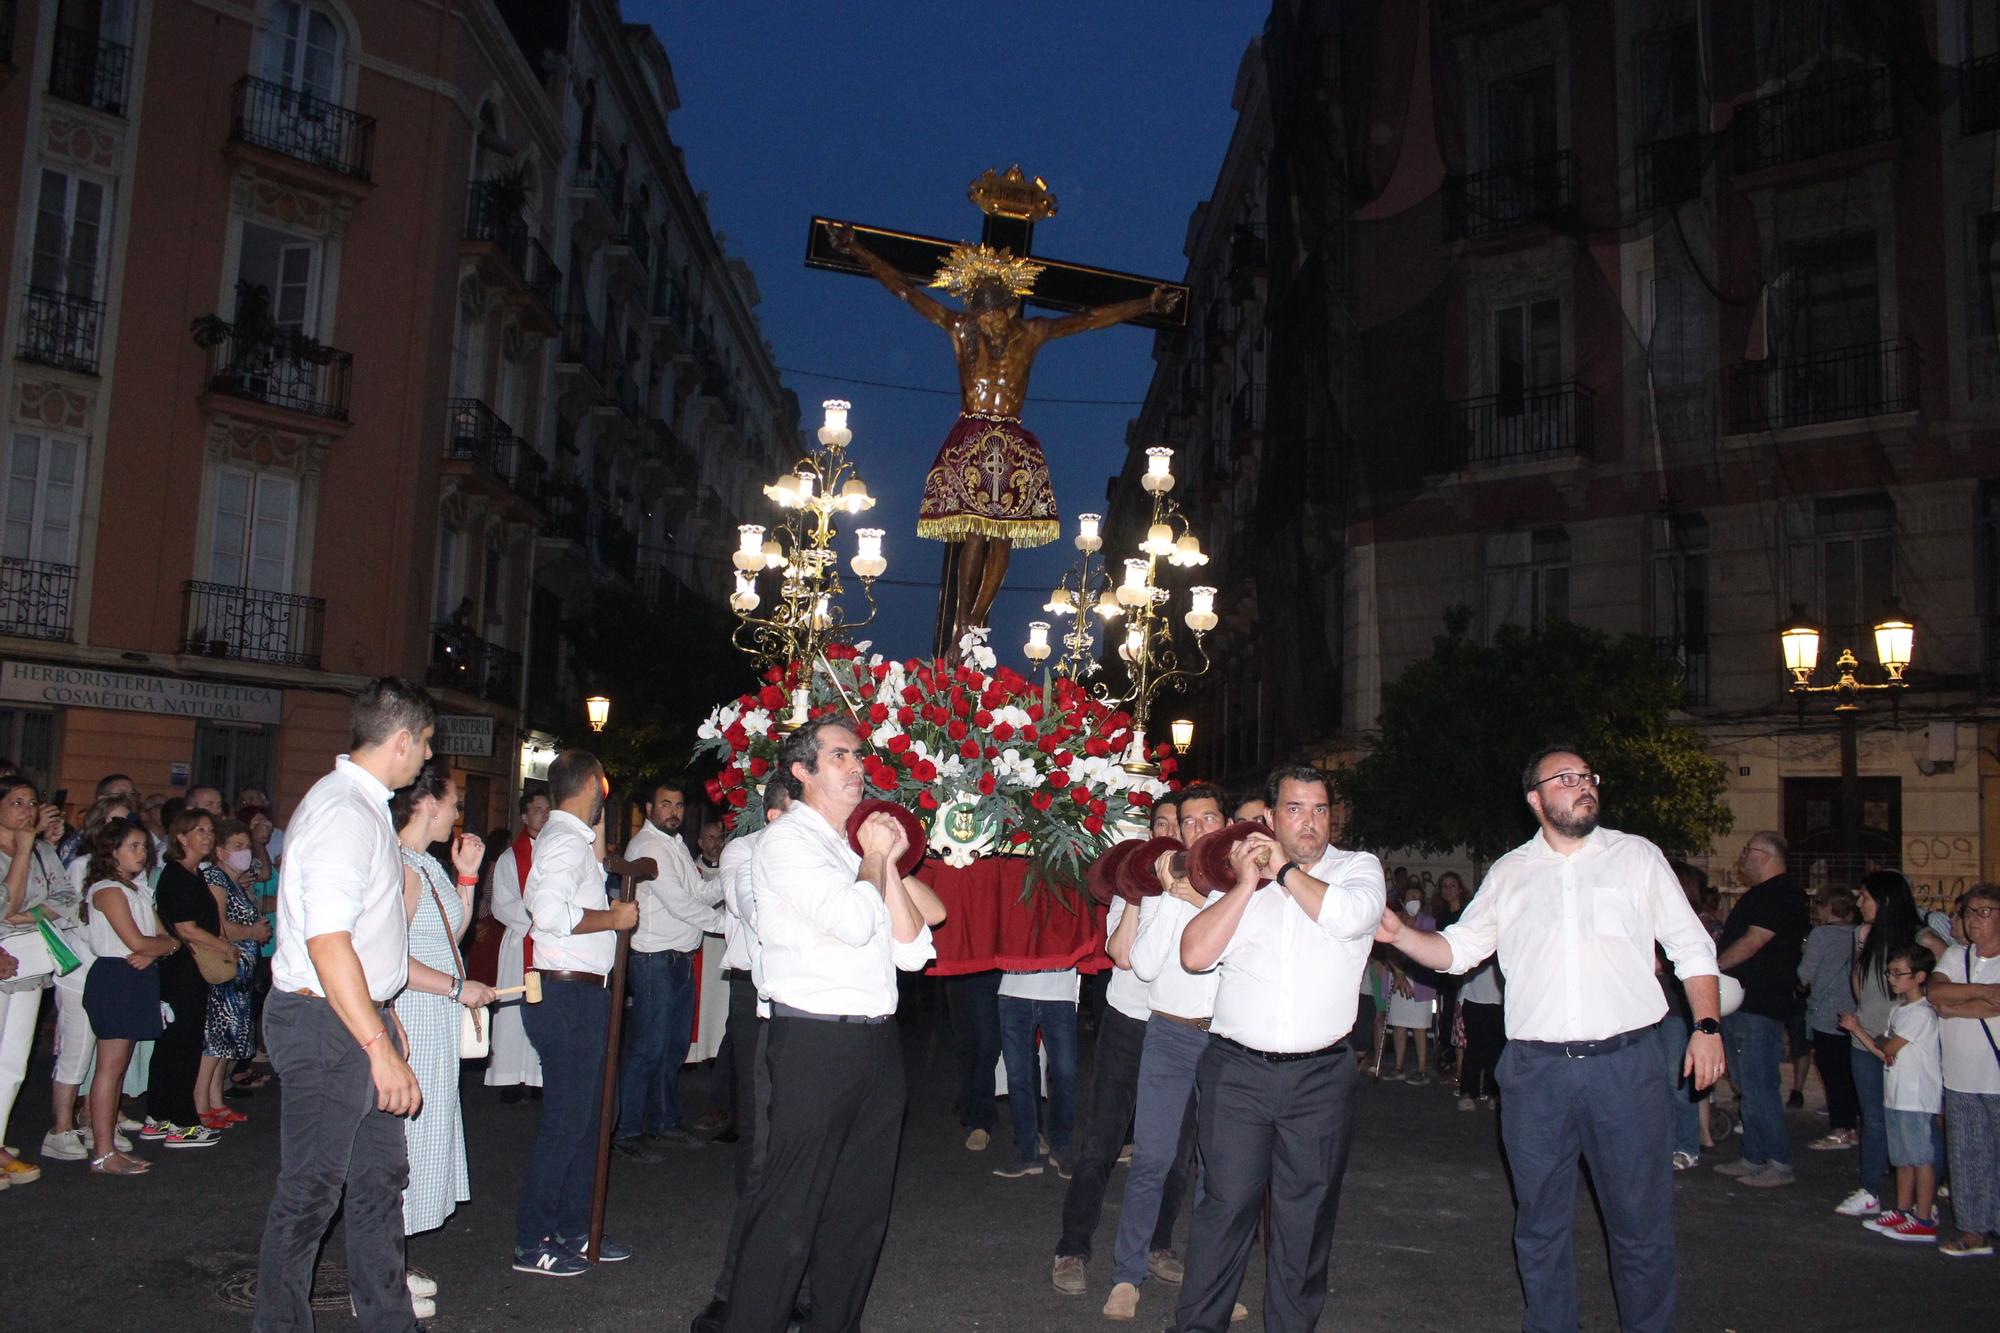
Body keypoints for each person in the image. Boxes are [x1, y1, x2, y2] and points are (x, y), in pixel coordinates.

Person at [1375, 744, 1724, 1333]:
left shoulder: (1636, 857)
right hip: (1536, 1074)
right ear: (1535, 799)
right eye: (1565, 778)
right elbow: (1458, 950)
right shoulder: (1510, 873)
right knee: (1540, 1226)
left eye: (1587, 776)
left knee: (1640, 1227)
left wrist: (1707, 1026)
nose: (1583, 785)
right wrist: (1400, 935)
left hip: (1626, 1066)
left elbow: (1693, 948)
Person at [828, 222, 1179, 648]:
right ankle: (961, 619)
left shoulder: (1032, 334)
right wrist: (859, 250)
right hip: (971, 432)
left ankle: (976, 618)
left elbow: (1089, 320)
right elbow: (906, 291)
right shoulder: (961, 329)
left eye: (992, 313)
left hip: (1012, 438)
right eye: (979, 312)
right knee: (974, 531)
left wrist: (1147, 303)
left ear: (1010, 308)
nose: (986, 323)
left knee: (1003, 534)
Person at [722, 720, 935, 1332]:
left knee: (858, 1216)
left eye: (858, 755)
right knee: (787, 1211)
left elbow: (914, 949)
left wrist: (884, 863)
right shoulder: (787, 842)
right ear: (803, 772)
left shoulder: (852, 849)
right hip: (813, 1042)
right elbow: (849, 919)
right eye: (838, 755)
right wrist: (874, 856)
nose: (856, 765)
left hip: (874, 1041)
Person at [252, 677, 435, 1333]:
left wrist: (386, 1011)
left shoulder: (365, 805)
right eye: (427, 743)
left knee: (380, 1179)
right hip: (327, 1024)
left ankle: (389, 1318)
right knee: (309, 1192)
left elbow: (360, 934)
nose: (428, 758)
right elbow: (328, 944)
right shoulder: (343, 813)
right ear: (403, 739)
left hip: (354, 1018)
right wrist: (375, 1044)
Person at [1173, 765, 1383, 1333]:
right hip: (1238, 1073)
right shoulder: (1238, 879)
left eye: (1320, 809)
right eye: (1295, 808)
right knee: (1223, 1211)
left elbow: (1349, 916)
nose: (1310, 821)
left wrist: (1283, 869)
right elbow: (1193, 955)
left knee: (1305, 1220)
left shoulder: (1358, 870)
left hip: (1320, 1077)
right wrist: (1245, 883)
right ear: (1268, 817)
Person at [512, 749, 651, 1276]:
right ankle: (532, 1239)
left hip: (580, 994)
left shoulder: (570, 840)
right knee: (568, 1122)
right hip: (566, 995)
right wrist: (613, 917)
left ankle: (574, 1228)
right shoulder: (563, 841)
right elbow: (546, 913)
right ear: (594, 783)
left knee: (591, 1119)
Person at [1101, 783, 1228, 1323]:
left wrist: (1199, 901)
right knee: (1151, 1159)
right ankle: (1126, 1276)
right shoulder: (1159, 886)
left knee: (1219, 1171)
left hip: (1228, 1041)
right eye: (1188, 820)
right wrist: (1171, 898)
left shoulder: (1247, 886)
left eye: (1208, 818)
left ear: (1224, 825)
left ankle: (1210, 1287)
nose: (1197, 828)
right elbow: (1146, 967)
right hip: (1171, 1035)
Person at [1049, 820, 1187, 1300]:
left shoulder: (1205, 889)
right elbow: (1121, 956)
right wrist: (1134, 893)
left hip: (1180, 1030)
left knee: (1174, 1152)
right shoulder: (1131, 890)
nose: (1172, 834)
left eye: (1181, 825)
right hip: (1128, 1026)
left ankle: (1158, 1244)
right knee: (1102, 1143)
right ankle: (1072, 1248)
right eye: (1163, 825)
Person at [391, 762, 493, 1319]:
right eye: (453, 803)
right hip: (415, 1012)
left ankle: (391, 1264)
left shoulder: (423, 864)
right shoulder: (401, 868)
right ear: (427, 804)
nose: (458, 814)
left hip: (434, 1015)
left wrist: (468, 877)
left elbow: (447, 935)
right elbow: (392, 961)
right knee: (405, 1139)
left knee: (423, 1132)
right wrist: (458, 988)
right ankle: (382, 1276)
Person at [693, 778, 792, 1333]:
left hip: (805, 998)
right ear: (774, 814)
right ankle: (738, 1287)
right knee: (759, 1140)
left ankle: (797, 1281)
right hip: (755, 989)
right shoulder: (743, 850)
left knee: (801, 1142)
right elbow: (753, 910)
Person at [1835, 870, 1951, 1220]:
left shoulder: (1922, 938)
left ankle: (1930, 1193)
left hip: (1908, 1044)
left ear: (1885, 901)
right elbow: (1859, 984)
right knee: (1874, 1118)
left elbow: (1946, 977)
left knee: (1918, 1121)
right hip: (1866, 1035)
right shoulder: (1866, 936)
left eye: (1865, 896)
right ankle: (1872, 1190)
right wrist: (1860, 945)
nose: (1859, 903)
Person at [617, 780, 720, 1156]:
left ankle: (663, 1120)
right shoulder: (648, 847)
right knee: (647, 1047)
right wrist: (728, 926)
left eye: (678, 805)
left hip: (677, 960)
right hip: (654, 960)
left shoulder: (675, 846)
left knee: (672, 1047)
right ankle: (625, 1131)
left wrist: (736, 871)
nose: (674, 811)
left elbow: (702, 893)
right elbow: (683, 905)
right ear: (649, 809)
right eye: (665, 804)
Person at [1712, 832, 1808, 1187]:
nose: (1743, 857)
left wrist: (1712, 969)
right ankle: (1753, 1156)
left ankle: (1778, 1163)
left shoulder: (1781, 894)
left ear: (1766, 854)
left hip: (1761, 1002)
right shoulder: (1762, 894)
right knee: (1747, 1083)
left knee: (1760, 1082)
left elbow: (1753, 942)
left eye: (1748, 850)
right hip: (1744, 1000)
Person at [82, 817, 177, 1175]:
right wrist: (158, 947)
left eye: (144, 847)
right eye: (133, 847)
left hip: (137, 976)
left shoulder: (136, 889)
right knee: (109, 1067)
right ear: (112, 851)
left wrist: (157, 949)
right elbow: (138, 941)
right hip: (117, 976)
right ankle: (103, 1151)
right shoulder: (107, 889)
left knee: (118, 1068)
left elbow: (168, 939)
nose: (142, 854)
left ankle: (107, 1146)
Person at [1840, 944, 1942, 1242]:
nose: (1892, 979)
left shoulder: (1921, 1014)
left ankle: (1923, 1216)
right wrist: (1858, 1030)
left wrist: (1882, 1042)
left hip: (1916, 1096)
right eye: (1891, 972)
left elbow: (1888, 1047)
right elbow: (1883, 1051)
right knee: (1902, 1157)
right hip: (1898, 1094)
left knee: (1920, 1158)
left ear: (1919, 976)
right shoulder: (1899, 1011)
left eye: (1899, 973)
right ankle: (1902, 1209)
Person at [0, 777, 69, 1184]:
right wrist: (23, 851)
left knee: (13, 1061)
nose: (26, 810)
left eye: (31, 802)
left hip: (29, 957)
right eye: (16, 802)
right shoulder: (28, 850)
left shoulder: (43, 851)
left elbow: (67, 899)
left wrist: (32, 916)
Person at [1928, 883, 2000, 1257]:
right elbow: (1937, 995)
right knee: (1968, 1157)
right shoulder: (1955, 956)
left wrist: (1959, 1001)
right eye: (1970, 912)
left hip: (1995, 1075)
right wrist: (1982, 995)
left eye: (1984, 912)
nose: (1974, 921)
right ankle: (1974, 1230)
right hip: (1959, 1077)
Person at [149, 809, 227, 1148]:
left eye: (211, 830)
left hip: (190, 970)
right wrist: (226, 948)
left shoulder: (193, 875)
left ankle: (161, 1115)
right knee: (181, 1043)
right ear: (181, 837)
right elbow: (186, 928)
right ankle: (181, 1122)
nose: (208, 836)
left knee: (178, 1042)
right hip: (181, 969)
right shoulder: (177, 876)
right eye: (200, 830)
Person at [196, 818, 268, 1130]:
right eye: (237, 847)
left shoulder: (236, 882)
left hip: (240, 973)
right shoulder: (215, 879)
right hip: (224, 970)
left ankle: (216, 1100)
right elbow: (219, 926)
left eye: (247, 847)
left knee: (227, 1041)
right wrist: (252, 931)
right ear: (220, 852)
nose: (244, 853)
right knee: (215, 1040)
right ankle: (200, 1102)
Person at [487, 789, 550, 1101]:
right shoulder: (510, 858)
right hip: (520, 943)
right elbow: (502, 904)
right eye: (537, 809)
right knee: (515, 1010)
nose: (543, 814)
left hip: (549, 947)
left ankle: (538, 1077)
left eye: (547, 809)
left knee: (545, 1008)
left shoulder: (557, 852)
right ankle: (511, 1076)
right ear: (525, 816)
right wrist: (537, 924)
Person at [995, 955, 1080, 1178]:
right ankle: (1026, 1150)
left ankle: (1061, 1146)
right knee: (1017, 1076)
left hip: (1059, 992)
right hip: (1013, 991)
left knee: (1065, 1073)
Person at [1800, 889, 1862, 1151]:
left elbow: (1805, 973)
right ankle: (1853, 1128)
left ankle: (1839, 1130)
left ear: (1827, 909)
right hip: (1857, 1013)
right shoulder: (1859, 934)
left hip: (1827, 1013)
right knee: (1851, 1075)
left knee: (1832, 1074)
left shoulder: (1821, 935)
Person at [1381, 891, 1437, 1084]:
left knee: (1420, 1026)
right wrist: (1399, 973)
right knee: (1399, 1025)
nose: (1415, 901)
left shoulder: (1428, 921)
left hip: (1420, 979)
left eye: (1418, 897)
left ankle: (1422, 1069)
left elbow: (1428, 946)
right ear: (1403, 901)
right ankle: (1399, 1066)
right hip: (1398, 977)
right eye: (1411, 897)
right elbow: (1388, 947)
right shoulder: (1394, 919)